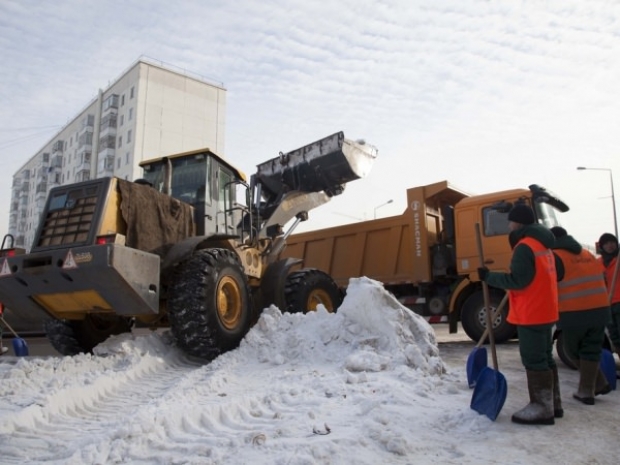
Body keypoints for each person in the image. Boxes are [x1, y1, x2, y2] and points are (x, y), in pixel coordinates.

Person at [478, 203, 559, 425]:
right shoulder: (543, 244)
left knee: (534, 359)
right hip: (546, 310)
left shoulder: (525, 247)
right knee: (545, 358)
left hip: (532, 312)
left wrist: (489, 277)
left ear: (518, 223)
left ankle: (542, 408)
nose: (509, 226)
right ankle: (553, 404)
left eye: (511, 222)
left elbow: (518, 281)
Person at [551, 227, 611, 404]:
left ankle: (594, 385)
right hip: (600, 310)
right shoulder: (587, 254)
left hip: (574, 312)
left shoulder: (555, 257)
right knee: (591, 350)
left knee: (571, 350)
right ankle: (590, 389)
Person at [598, 233, 620, 364]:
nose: (610, 245)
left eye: (612, 242)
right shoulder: (598, 263)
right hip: (606, 304)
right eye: (606, 243)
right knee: (614, 337)